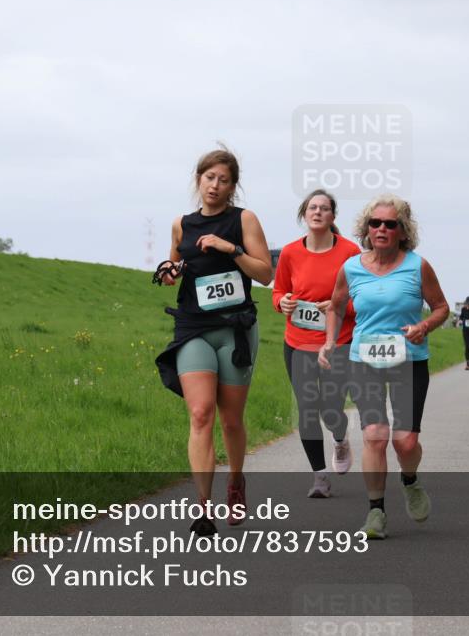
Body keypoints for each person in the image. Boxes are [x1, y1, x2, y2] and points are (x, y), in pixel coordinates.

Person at [153, 149, 273, 537]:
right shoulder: (181, 224)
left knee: (230, 419)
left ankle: (236, 481)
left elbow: (265, 274)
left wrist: (231, 249)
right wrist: (169, 272)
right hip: (193, 327)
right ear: (198, 180)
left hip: (234, 328)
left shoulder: (244, 220)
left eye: (223, 180)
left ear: (232, 186)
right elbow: (175, 267)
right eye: (209, 178)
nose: (214, 186)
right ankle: (203, 508)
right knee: (201, 413)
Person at [319, 194, 449, 540]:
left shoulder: (417, 266)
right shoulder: (352, 268)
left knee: (405, 442)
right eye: (375, 223)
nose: (381, 229)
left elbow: (440, 307)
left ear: (402, 231)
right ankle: (375, 512)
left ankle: (410, 480)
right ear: (366, 229)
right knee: (374, 436)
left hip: (408, 361)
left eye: (390, 224)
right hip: (365, 362)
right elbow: (334, 306)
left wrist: (424, 326)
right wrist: (331, 341)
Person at [272, 190, 362, 498]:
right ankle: (319, 477)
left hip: (338, 342)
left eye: (324, 208)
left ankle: (339, 437)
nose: (318, 212)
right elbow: (279, 290)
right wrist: (281, 302)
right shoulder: (289, 253)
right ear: (304, 214)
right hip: (297, 342)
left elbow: (361, 300)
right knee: (307, 409)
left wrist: (336, 308)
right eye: (312, 207)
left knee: (330, 407)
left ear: (333, 217)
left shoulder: (351, 253)